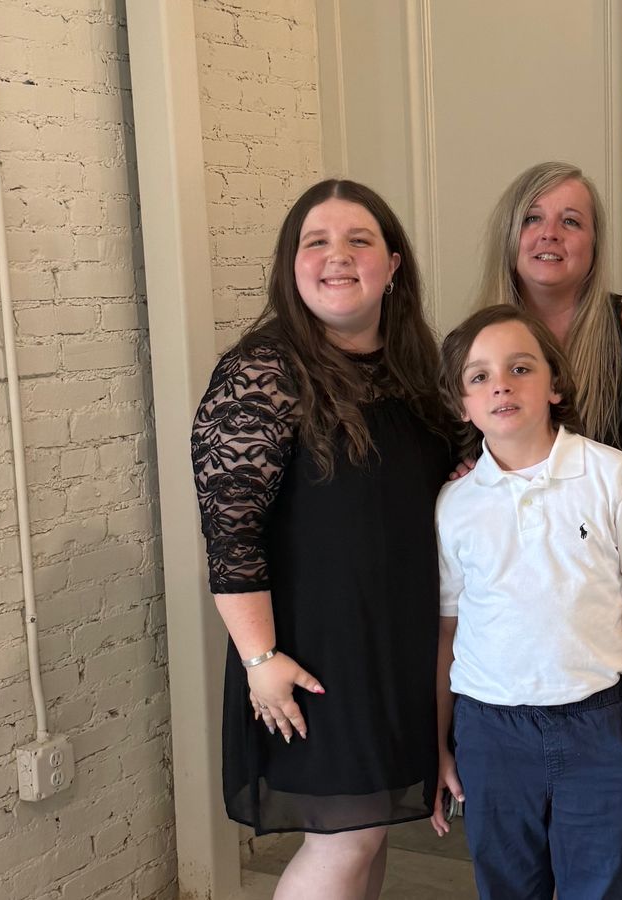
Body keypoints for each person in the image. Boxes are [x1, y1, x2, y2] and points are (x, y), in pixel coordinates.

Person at [191, 179, 451, 900]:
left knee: (369, 831)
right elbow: (230, 533)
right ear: (292, 266)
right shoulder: (263, 372)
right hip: (313, 655)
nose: (338, 256)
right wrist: (260, 658)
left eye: (359, 240)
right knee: (346, 839)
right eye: (317, 242)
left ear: (392, 265)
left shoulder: (413, 372)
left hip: (396, 645)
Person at [474, 162, 622, 897]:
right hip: (522, 629)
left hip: (618, 611)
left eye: (571, 220)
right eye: (534, 218)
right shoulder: (482, 343)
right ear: (511, 235)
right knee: (536, 820)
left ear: (594, 242)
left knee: (621, 793)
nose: (550, 234)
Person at [431, 304, 622, 899]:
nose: (501, 385)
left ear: (555, 385)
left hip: (597, 723)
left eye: (520, 368)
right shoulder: (455, 505)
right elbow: (448, 632)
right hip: (489, 730)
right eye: (479, 376)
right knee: (508, 886)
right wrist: (440, 743)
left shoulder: (612, 475)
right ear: (462, 404)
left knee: (601, 887)